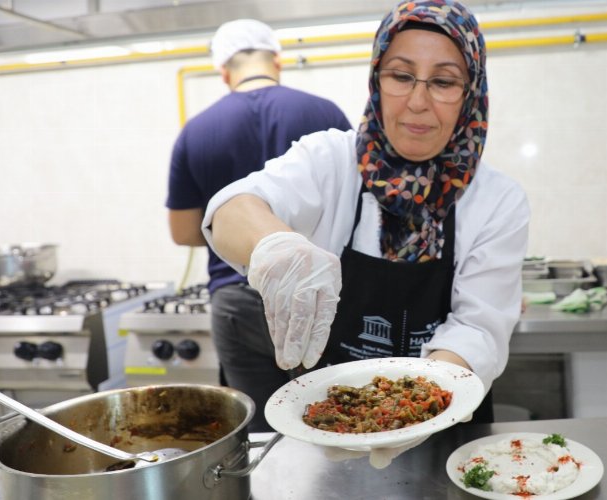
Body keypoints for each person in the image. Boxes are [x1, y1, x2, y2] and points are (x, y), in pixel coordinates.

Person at [203, 0, 529, 444]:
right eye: (400, 75)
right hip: (331, 420)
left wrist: (411, 411)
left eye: (444, 82)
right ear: (376, 78)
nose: (418, 102)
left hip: (446, 426)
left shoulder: (497, 200)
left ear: (470, 93)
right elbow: (233, 208)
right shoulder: (330, 159)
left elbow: (477, 330)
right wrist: (274, 245)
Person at [166, 19, 351, 432]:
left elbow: (182, 231)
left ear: (223, 71)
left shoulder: (195, 131)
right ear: (277, 62)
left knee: (261, 435)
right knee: (330, 422)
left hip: (236, 301)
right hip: (313, 295)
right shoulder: (324, 113)